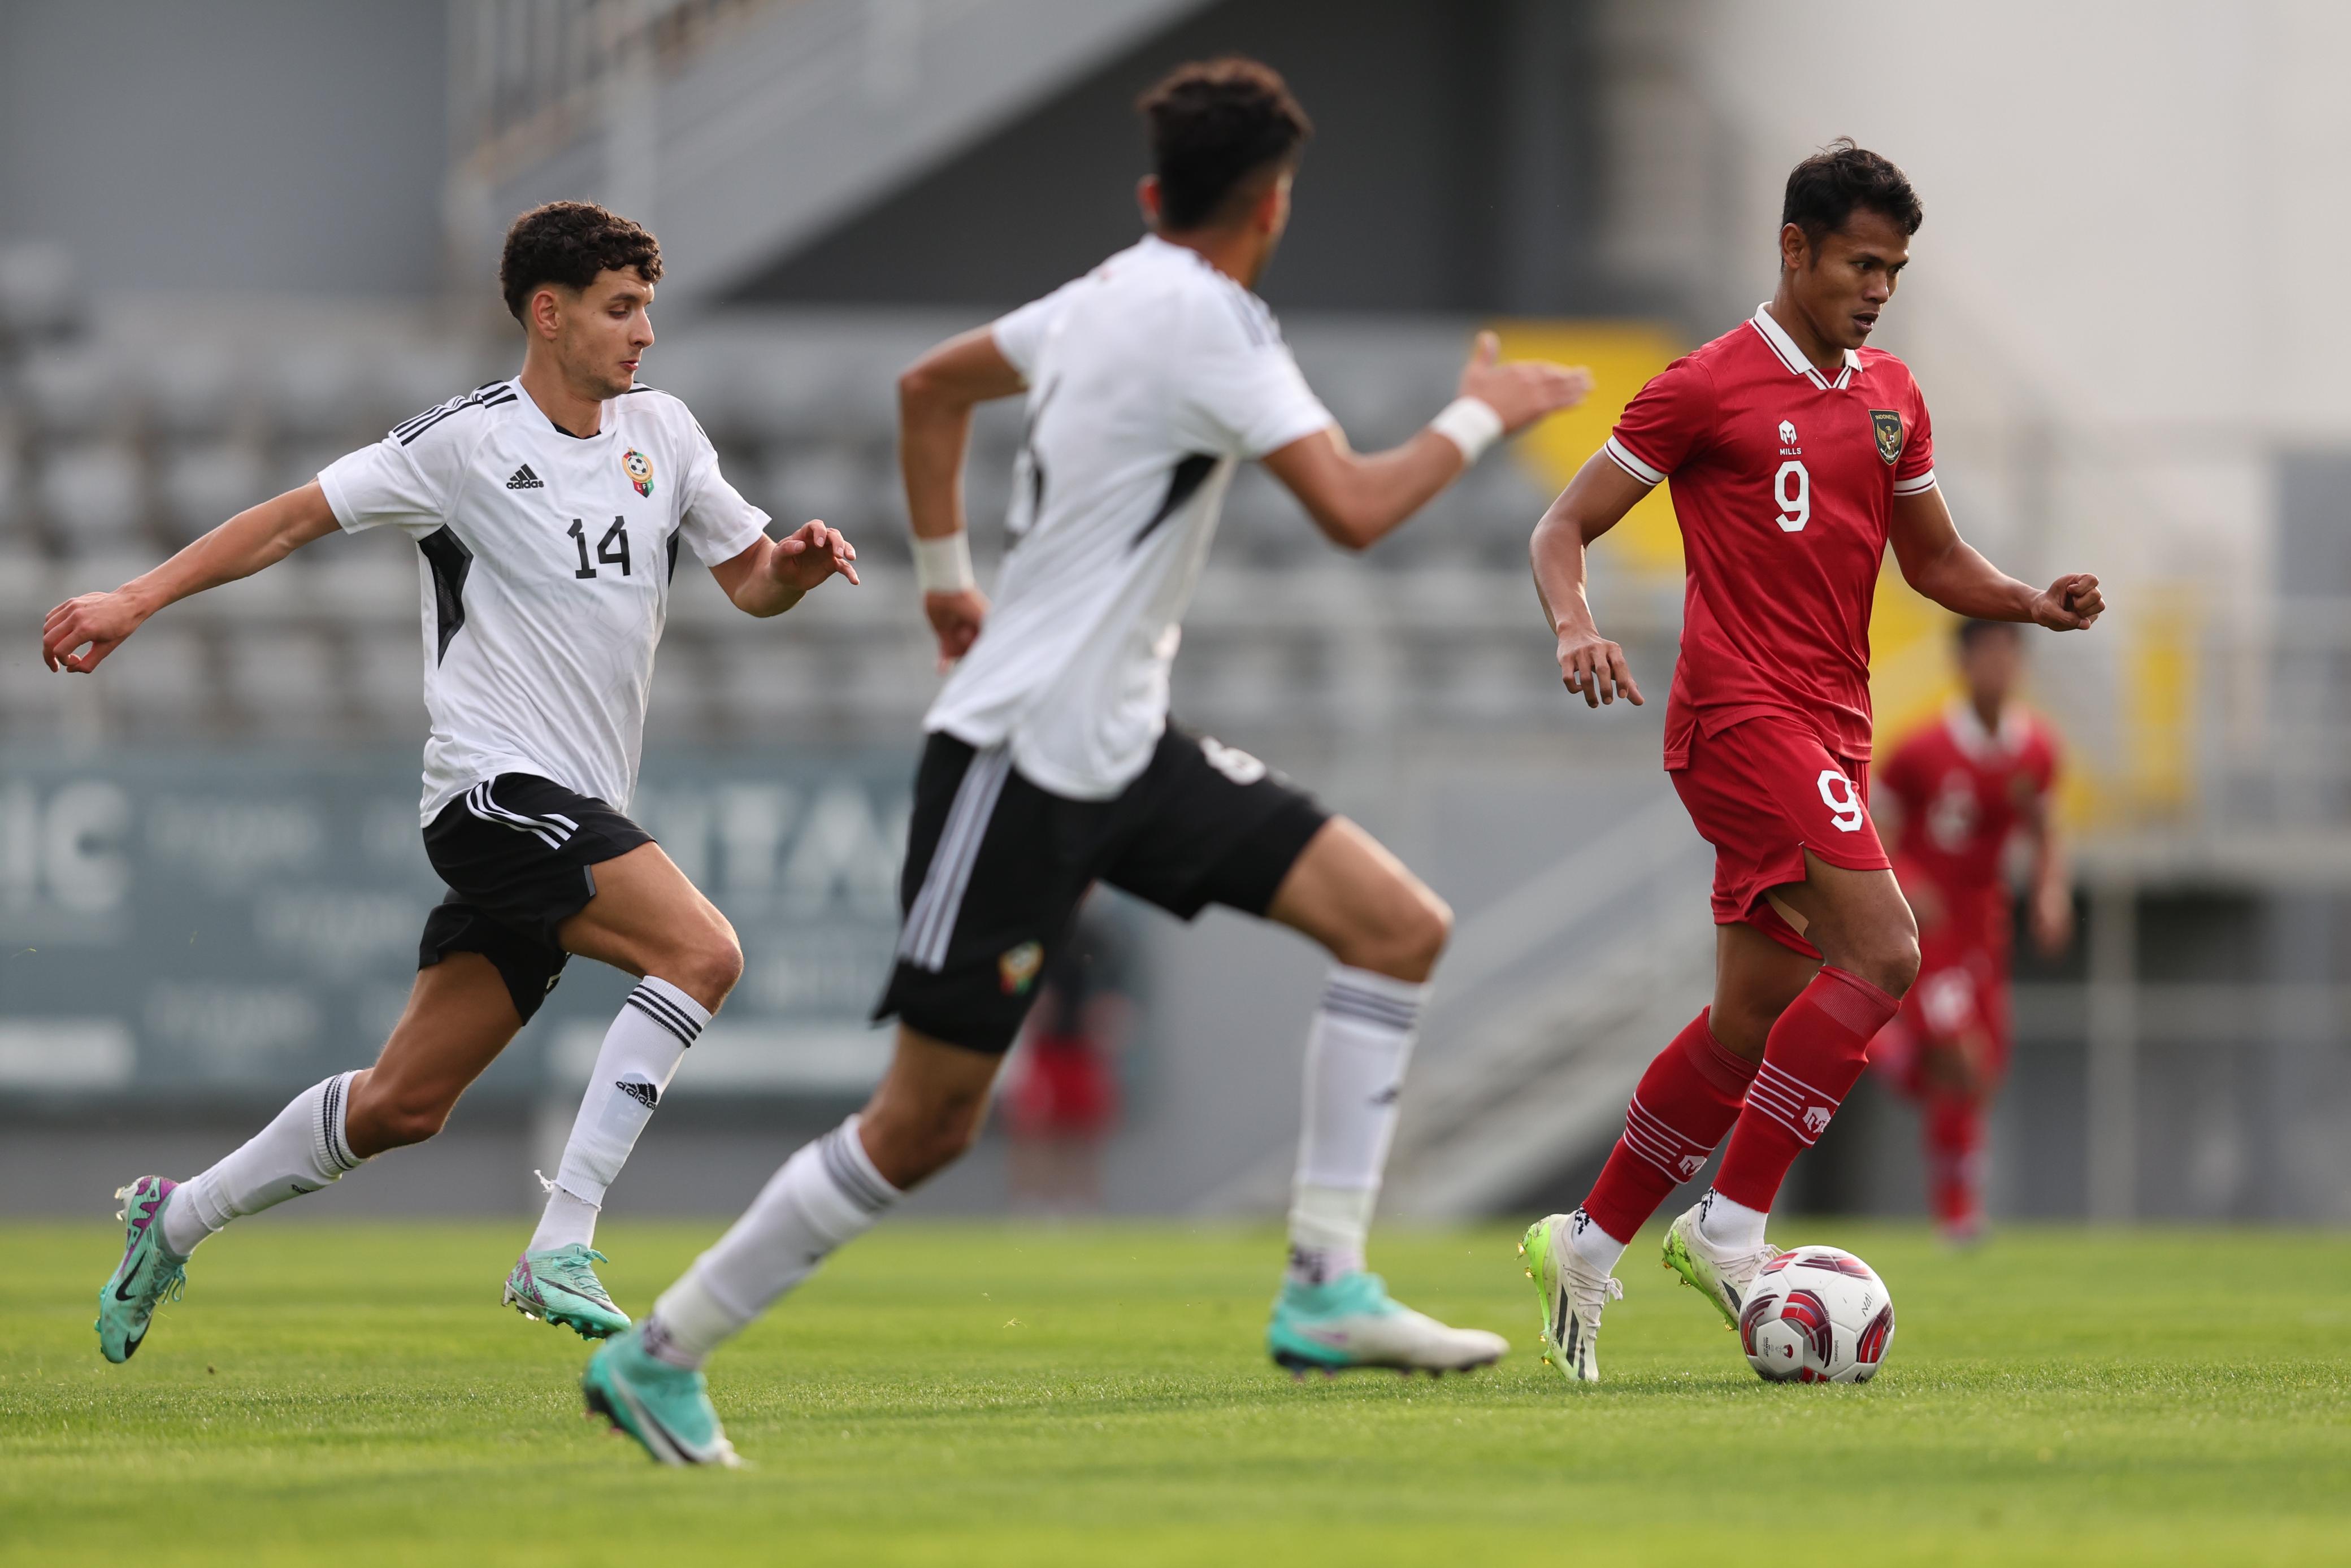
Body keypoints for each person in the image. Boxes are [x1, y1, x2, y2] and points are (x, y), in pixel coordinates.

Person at [580, 55, 1593, 1465]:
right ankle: (659, 1352)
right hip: (1015, 758)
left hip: (1122, 746)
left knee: (1394, 925)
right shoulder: (1216, 322)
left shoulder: (1102, 295)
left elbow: (929, 389)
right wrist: (1486, 408)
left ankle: (1324, 1287)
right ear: (1273, 208)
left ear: (1150, 195)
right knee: (925, 1126)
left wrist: (948, 576)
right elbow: (1356, 508)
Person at [46, 201, 860, 1365]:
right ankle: (562, 1242)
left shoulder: (664, 434)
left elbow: (747, 582)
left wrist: (798, 565)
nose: (644, 333)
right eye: (621, 307)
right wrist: (134, 598)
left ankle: (170, 1221)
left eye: (646, 307)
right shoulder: (464, 442)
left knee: (400, 1106)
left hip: (578, 806)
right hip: (490, 791)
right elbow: (285, 522)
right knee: (705, 952)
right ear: (550, 312)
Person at [1517, 140, 2104, 1382]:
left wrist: (2027, 602)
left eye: (1892, 267)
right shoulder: (1705, 387)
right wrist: (1576, 622)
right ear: (1792, 251)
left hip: (1831, 722)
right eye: (1857, 262)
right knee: (1887, 951)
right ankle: (1729, 1228)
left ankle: (1585, 1240)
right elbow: (1561, 524)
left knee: (1748, 1017)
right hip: (1737, 716)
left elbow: (1933, 564)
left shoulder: (1893, 391)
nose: (1878, 287)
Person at [1871, 619, 2070, 1243]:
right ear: (1961, 662)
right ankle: (1957, 1211)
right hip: (1931, 927)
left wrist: (2048, 891)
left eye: (2009, 654)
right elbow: (1872, 825)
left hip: (1986, 922)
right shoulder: (1919, 750)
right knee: (1962, 1057)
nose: (1998, 667)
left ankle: (1885, 1049)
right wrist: (1903, 880)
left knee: (1983, 1068)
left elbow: (2043, 828)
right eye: (1986, 653)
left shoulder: (2034, 748)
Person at [1003, 894, 1136, 1213]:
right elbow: (1012, 978)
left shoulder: (1100, 928)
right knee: (1036, 1128)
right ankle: (1032, 1204)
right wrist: (1028, 999)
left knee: (1083, 1129)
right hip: (1043, 1047)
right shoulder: (1033, 929)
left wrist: (1110, 1006)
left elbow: (1117, 979)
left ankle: (1080, 1206)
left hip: (1083, 1048)